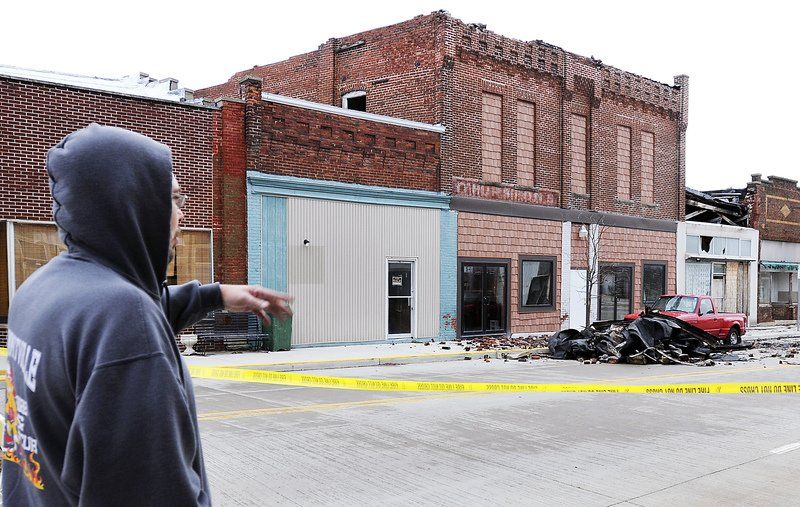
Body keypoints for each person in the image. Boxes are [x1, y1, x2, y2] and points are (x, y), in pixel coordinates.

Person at [1, 124, 292, 505]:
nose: (181, 216)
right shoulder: (123, 319)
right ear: (131, 203)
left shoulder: (41, 288)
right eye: (171, 200)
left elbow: (116, 318)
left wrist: (213, 295)